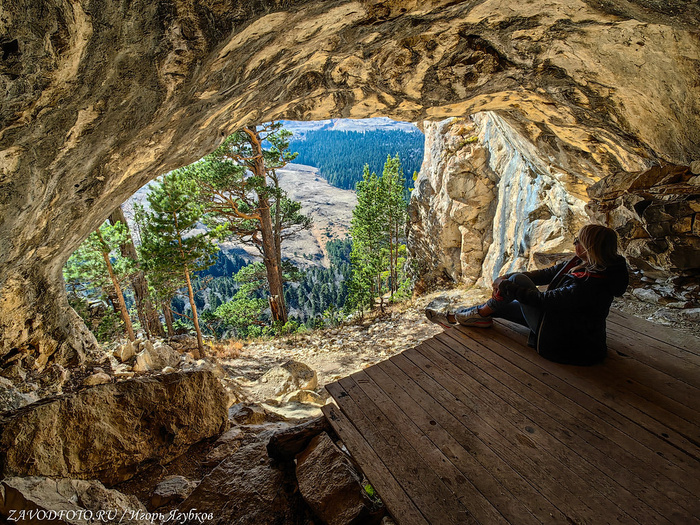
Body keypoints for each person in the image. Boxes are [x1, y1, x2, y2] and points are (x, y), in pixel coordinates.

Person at [427, 224, 629, 366]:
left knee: (516, 282)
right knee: (504, 298)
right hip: (563, 324)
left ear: (590, 248)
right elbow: (548, 274)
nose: (574, 244)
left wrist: (508, 284)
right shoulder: (590, 265)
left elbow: (542, 300)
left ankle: (468, 316)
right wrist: (506, 277)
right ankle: (463, 316)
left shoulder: (591, 284)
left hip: (564, 343)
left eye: (578, 241)